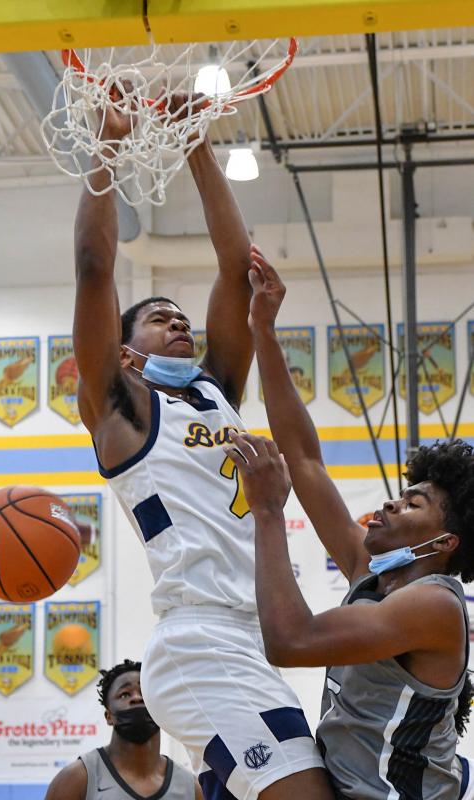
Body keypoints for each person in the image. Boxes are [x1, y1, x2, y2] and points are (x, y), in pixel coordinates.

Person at [72, 98, 332, 800]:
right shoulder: (119, 411)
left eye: (182, 318)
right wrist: (108, 148)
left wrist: (196, 144)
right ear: (125, 352)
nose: (179, 323)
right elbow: (96, 267)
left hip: (261, 637)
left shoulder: (214, 391)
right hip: (201, 640)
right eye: (160, 319)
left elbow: (233, 267)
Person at [222, 246, 474, 800]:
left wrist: (267, 510)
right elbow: (305, 458)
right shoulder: (372, 567)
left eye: (412, 504)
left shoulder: (435, 604)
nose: (388, 505)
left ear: (444, 541)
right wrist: (262, 327)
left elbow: (290, 641)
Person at [45, 659, 200, 800]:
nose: (137, 698)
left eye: (144, 693)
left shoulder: (191, 788)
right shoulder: (77, 779)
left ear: (159, 707)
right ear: (108, 716)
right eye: (125, 694)